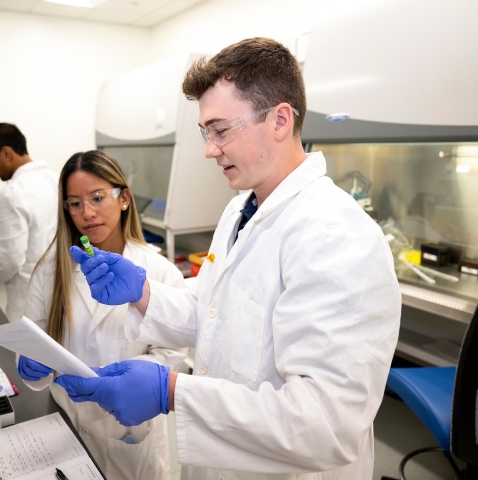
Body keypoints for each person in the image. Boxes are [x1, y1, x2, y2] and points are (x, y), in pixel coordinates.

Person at [55, 38, 401, 480]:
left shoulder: (337, 235)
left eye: (221, 130)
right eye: (206, 132)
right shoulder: (241, 210)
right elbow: (217, 310)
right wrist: (144, 293)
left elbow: (326, 424)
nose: (209, 149)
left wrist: (173, 391)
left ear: (279, 120)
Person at [17, 150, 187, 480]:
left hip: (131, 433)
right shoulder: (51, 270)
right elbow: (36, 346)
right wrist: (32, 364)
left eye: (97, 198)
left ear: (124, 198)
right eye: (75, 203)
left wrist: (130, 381)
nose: (87, 213)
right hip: (67, 423)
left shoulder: (159, 272)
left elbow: (172, 351)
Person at [0, 123, 58, 321]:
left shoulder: (12, 192)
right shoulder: (56, 180)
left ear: (7, 153)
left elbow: (10, 259)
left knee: (24, 350)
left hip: (26, 298)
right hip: (59, 292)